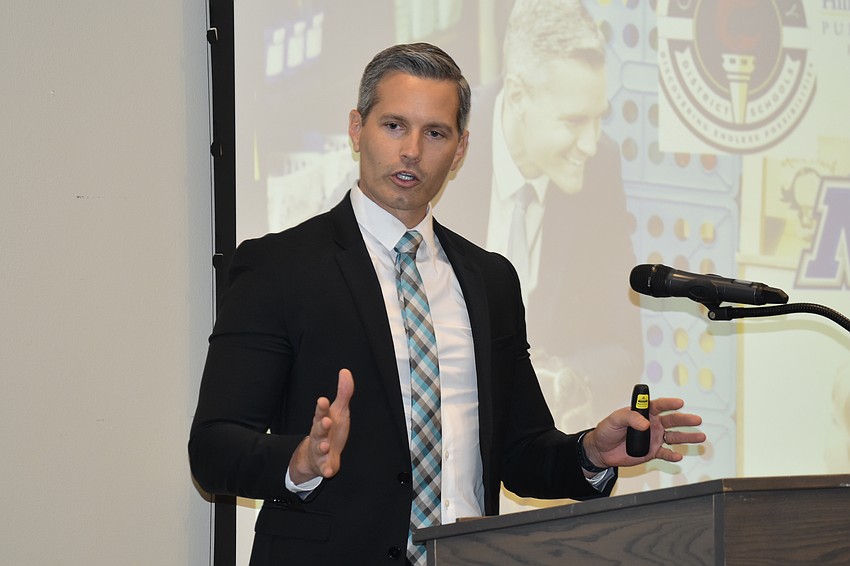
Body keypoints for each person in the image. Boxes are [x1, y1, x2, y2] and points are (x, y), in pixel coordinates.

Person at [189, 42, 704, 565]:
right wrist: (299, 460)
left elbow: (519, 452)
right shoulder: (278, 267)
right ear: (356, 129)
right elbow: (212, 448)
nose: (412, 150)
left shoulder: (490, 279)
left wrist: (590, 452)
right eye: (394, 126)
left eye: (435, 133)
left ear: (460, 150)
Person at [435, 0, 643, 423]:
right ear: (517, 96)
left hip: (534, 436)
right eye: (574, 121)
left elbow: (624, 343)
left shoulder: (598, 166)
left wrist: (567, 381)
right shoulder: (438, 142)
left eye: (598, 119)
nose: (590, 142)